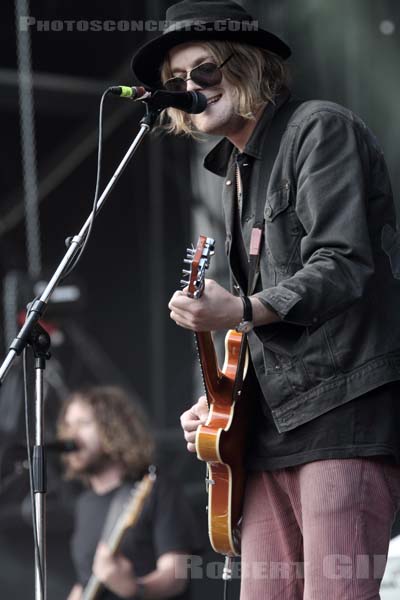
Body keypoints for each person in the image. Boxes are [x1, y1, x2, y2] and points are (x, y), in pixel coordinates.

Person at [130, 1, 400, 598]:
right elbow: (259, 324)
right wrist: (222, 402)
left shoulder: (318, 129)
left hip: (341, 413)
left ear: (250, 65)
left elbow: (342, 262)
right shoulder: (233, 171)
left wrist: (242, 310)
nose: (190, 89)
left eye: (205, 71)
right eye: (176, 83)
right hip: (266, 429)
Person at [58, 386, 199, 600]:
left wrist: (136, 589)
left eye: (83, 424)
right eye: (67, 425)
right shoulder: (84, 504)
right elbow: (85, 581)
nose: (71, 434)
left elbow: (177, 575)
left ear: (114, 429)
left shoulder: (155, 488)